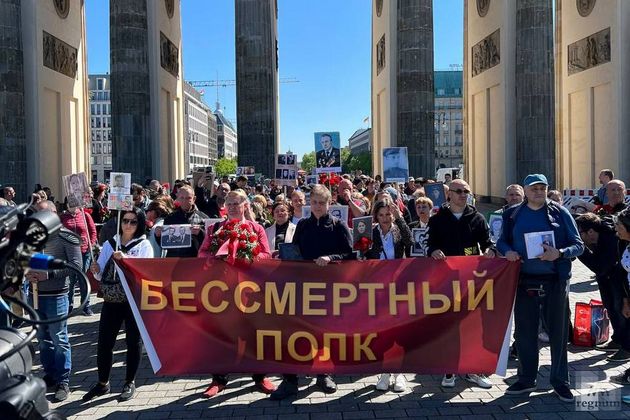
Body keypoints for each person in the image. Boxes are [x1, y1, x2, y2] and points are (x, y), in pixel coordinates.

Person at [497, 174, 584, 402]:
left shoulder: (560, 212)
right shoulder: (512, 214)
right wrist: (508, 251)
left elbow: (579, 245)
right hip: (524, 280)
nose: (538, 191)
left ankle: (560, 382)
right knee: (525, 334)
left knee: (558, 334)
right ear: (525, 191)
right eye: (534, 188)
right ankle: (526, 379)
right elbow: (501, 241)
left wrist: (560, 253)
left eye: (542, 187)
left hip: (555, 281)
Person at [271, 184, 354, 400]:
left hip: (328, 289)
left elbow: (350, 254)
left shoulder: (338, 226)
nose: (318, 206)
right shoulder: (303, 225)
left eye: (322, 202)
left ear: (329, 204)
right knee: (294, 332)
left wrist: (330, 258)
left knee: (323, 333)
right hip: (302, 287)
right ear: (310, 203)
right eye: (314, 202)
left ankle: (324, 374)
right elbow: (295, 252)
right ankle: (290, 380)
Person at [197, 189, 275, 397]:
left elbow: (267, 256)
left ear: (244, 206)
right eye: (228, 203)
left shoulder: (256, 228)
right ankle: (218, 379)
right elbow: (202, 254)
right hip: (222, 290)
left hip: (250, 291)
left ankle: (260, 376)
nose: (231, 207)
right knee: (221, 335)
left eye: (236, 203)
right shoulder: (214, 228)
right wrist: (215, 258)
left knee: (254, 335)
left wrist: (247, 257)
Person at [428, 178, 495, 389]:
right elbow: (430, 244)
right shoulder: (438, 219)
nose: (463, 194)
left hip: (471, 281)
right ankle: (449, 370)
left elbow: (487, 241)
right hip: (446, 281)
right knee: (449, 326)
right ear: (449, 194)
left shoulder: (477, 218)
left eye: (466, 191)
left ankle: (473, 370)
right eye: (458, 191)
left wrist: (490, 250)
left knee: (471, 326)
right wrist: (433, 251)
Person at [83, 207, 154, 402]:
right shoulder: (110, 243)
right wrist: (95, 269)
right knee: (105, 342)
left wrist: (127, 259)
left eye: (133, 222)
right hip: (112, 299)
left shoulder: (144, 245)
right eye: (125, 221)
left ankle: (129, 381)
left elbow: (146, 270)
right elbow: (100, 274)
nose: (128, 225)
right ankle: (103, 382)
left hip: (133, 299)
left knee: (133, 341)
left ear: (139, 224)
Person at [26, 200, 81, 402]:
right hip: (35, 295)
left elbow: (76, 266)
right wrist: (25, 273)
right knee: (42, 337)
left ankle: (63, 380)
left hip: (57, 294)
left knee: (59, 338)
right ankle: (50, 374)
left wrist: (47, 276)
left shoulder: (67, 237)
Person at [364, 199, 412, 392]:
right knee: (382, 330)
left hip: (398, 285)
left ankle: (399, 372)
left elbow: (411, 242)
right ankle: (385, 371)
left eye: (388, 214)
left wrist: (400, 219)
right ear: (376, 216)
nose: (385, 218)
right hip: (378, 286)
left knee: (399, 330)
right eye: (381, 215)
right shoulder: (371, 232)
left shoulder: (398, 229)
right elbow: (365, 255)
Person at [575, 212, 630, 359]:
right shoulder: (597, 239)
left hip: (619, 280)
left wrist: (581, 250)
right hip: (607, 279)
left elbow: (600, 267)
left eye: (580, 233)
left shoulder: (611, 239)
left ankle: (627, 347)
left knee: (621, 310)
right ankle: (618, 340)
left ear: (591, 232)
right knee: (610, 307)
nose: (578, 237)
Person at [61, 203, 97, 315]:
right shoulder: (62, 217)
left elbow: (93, 231)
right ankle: (69, 305)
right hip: (69, 253)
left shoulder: (85, 215)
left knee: (83, 278)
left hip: (84, 252)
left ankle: (85, 305)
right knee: (70, 280)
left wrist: (90, 243)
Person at [609, 209, 630, 385]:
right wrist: (625, 301)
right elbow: (623, 274)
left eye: (619, 225)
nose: (616, 228)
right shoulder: (623, 243)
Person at [158, 185, 208, 257]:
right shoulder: (170, 218)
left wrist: (200, 233)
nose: (184, 201)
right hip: (174, 260)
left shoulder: (203, 218)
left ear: (194, 199)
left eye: (188, 198)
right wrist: (158, 235)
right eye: (182, 198)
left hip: (194, 261)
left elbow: (210, 243)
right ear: (177, 198)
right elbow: (164, 245)